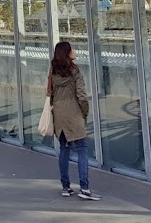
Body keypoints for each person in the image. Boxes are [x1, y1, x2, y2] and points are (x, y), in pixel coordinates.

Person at [48, 41, 100, 201]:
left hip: (59, 114)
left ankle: (66, 187)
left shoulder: (53, 72)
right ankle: (84, 188)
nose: (75, 51)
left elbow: (50, 93)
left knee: (64, 149)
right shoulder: (75, 71)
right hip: (74, 113)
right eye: (72, 49)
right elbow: (82, 96)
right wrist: (84, 113)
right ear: (67, 53)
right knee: (82, 149)